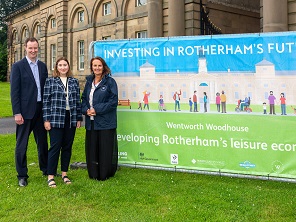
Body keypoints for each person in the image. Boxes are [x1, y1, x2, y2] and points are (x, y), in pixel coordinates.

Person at [10, 37, 48, 187]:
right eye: (30, 48)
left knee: (43, 143)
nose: (33, 51)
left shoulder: (42, 66)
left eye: (35, 48)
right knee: (22, 144)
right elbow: (15, 92)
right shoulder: (18, 66)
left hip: (40, 110)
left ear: (38, 48)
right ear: (25, 48)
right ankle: (22, 175)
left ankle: (46, 169)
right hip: (24, 112)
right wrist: (17, 113)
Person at [43, 57, 82, 188]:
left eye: (65, 65)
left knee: (67, 146)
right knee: (55, 146)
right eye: (60, 65)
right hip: (55, 118)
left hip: (70, 117)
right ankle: (51, 176)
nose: (63, 67)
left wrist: (78, 118)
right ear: (56, 67)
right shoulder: (50, 81)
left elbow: (77, 101)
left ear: (68, 67)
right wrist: (46, 120)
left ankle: (64, 174)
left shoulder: (74, 82)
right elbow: (46, 102)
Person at [81, 56, 118, 181]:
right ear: (92, 67)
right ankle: (93, 173)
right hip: (91, 123)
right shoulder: (88, 82)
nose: (97, 68)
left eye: (99, 65)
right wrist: (86, 110)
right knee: (92, 148)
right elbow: (84, 100)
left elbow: (113, 102)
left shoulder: (110, 82)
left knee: (105, 149)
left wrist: (96, 109)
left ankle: (104, 174)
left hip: (105, 123)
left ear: (103, 67)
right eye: (94, 65)